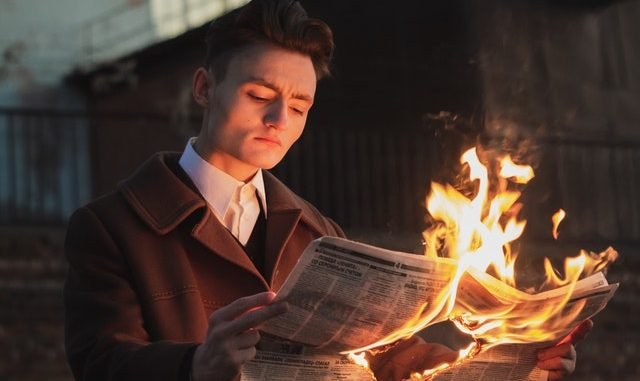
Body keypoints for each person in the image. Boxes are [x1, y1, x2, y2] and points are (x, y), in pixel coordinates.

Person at [63, 1, 588, 380]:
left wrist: (513, 363)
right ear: (204, 88)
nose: (278, 119)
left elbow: (389, 357)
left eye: (299, 106)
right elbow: (100, 361)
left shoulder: (318, 231)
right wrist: (194, 366)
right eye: (259, 94)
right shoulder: (112, 226)